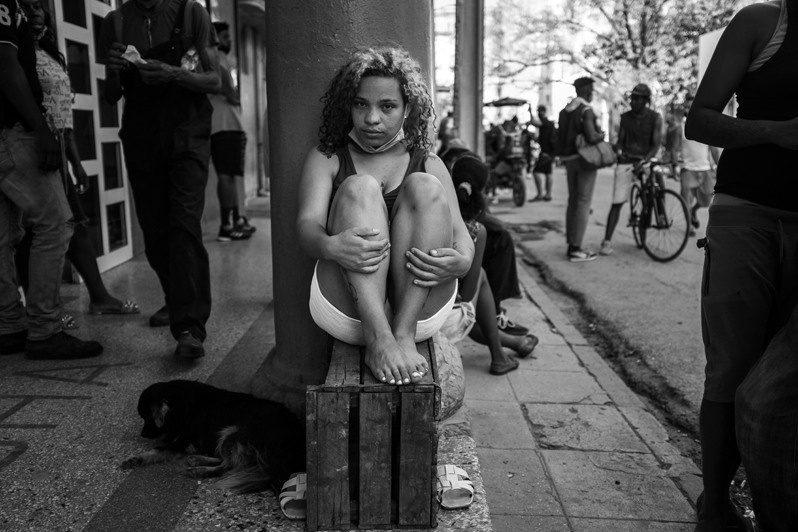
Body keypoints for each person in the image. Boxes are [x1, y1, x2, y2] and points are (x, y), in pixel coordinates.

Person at [296, 47, 474, 385]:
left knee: (424, 184)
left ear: (408, 109)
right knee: (360, 188)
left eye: (387, 106)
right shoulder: (328, 158)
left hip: (420, 313)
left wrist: (462, 262)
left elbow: (463, 236)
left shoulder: (430, 162)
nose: (372, 118)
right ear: (347, 105)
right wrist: (331, 246)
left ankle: (401, 336)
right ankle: (379, 339)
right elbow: (306, 228)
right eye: (361, 104)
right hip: (350, 312)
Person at [685, 0, 798, 529]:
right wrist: (776, 132)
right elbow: (699, 119)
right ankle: (716, 503)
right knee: (731, 369)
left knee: (782, 387)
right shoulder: (763, 21)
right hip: (747, 213)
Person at [99, 0, 221, 359]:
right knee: (154, 231)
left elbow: (215, 80)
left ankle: (189, 328)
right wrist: (112, 71)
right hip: (141, 136)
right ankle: (176, 298)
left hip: (188, 133)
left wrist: (173, 74)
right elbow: (110, 95)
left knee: (183, 225)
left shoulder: (190, 13)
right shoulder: (116, 22)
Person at [15, 4, 138, 328]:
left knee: (74, 225)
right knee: (39, 230)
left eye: (41, 7)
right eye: (28, 7)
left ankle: (98, 298)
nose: (37, 12)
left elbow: (62, 114)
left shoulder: (53, 55)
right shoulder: (19, 55)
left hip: (55, 147)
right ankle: (42, 311)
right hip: (30, 147)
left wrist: (76, 161)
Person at [0, 0, 102, 359]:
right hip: (11, 130)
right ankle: (44, 329)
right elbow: (5, 66)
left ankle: (8, 326)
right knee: (58, 222)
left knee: (4, 236)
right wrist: (40, 127)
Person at [445, 155, 539, 375]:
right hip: (444, 319)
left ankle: (509, 348)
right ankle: (499, 356)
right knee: (480, 278)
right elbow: (467, 299)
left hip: (418, 311)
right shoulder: (476, 230)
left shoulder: (436, 214)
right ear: (481, 191)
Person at [439, 139, 530, 337]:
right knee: (482, 270)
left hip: (438, 300)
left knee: (499, 239)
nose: (455, 160)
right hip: (451, 312)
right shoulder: (474, 227)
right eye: (454, 156)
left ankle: (497, 321)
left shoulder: (443, 192)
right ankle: (495, 319)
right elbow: (468, 297)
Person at [599, 83, 662, 256]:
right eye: (632, 98)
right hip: (627, 160)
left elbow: (656, 144)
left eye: (637, 99)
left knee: (656, 188)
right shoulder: (625, 117)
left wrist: (645, 160)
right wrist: (617, 150)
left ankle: (659, 215)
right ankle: (606, 241)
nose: (633, 102)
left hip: (645, 159)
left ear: (645, 101)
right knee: (617, 201)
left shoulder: (655, 117)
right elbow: (621, 140)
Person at [209, 21, 254, 242]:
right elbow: (226, 87)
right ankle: (226, 226)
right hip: (223, 126)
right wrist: (233, 95)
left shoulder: (221, 57)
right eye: (225, 36)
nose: (228, 40)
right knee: (226, 176)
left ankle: (235, 220)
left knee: (231, 175)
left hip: (230, 126)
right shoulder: (216, 57)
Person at [556, 76, 604, 262]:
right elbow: (591, 137)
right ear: (585, 90)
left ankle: (572, 243)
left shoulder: (564, 111)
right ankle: (576, 248)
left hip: (569, 160)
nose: (592, 93)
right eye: (591, 90)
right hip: (585, 160)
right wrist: (601, 136)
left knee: (573, 201)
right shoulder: (586, 109)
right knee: (583, 203)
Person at [678, 96, 719, 237]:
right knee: (686, 200)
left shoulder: (705, 126)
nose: (689, 109)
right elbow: (674, 147)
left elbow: (713, 148)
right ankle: (689, 226)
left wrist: (719, 166)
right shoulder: (680, 127)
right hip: (687, 169)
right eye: (687, 106)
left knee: (706, 200)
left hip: (705, 168)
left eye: (692, 106)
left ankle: (694, 211)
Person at [531, 105, 555, 202]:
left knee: (536, 172)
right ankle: (548, 194)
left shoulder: (545, 122)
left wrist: (529, 112)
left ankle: (541, 194)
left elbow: (534, 123)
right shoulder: (549, 124)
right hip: (550, 152)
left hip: (546, 152)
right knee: (548, 172)